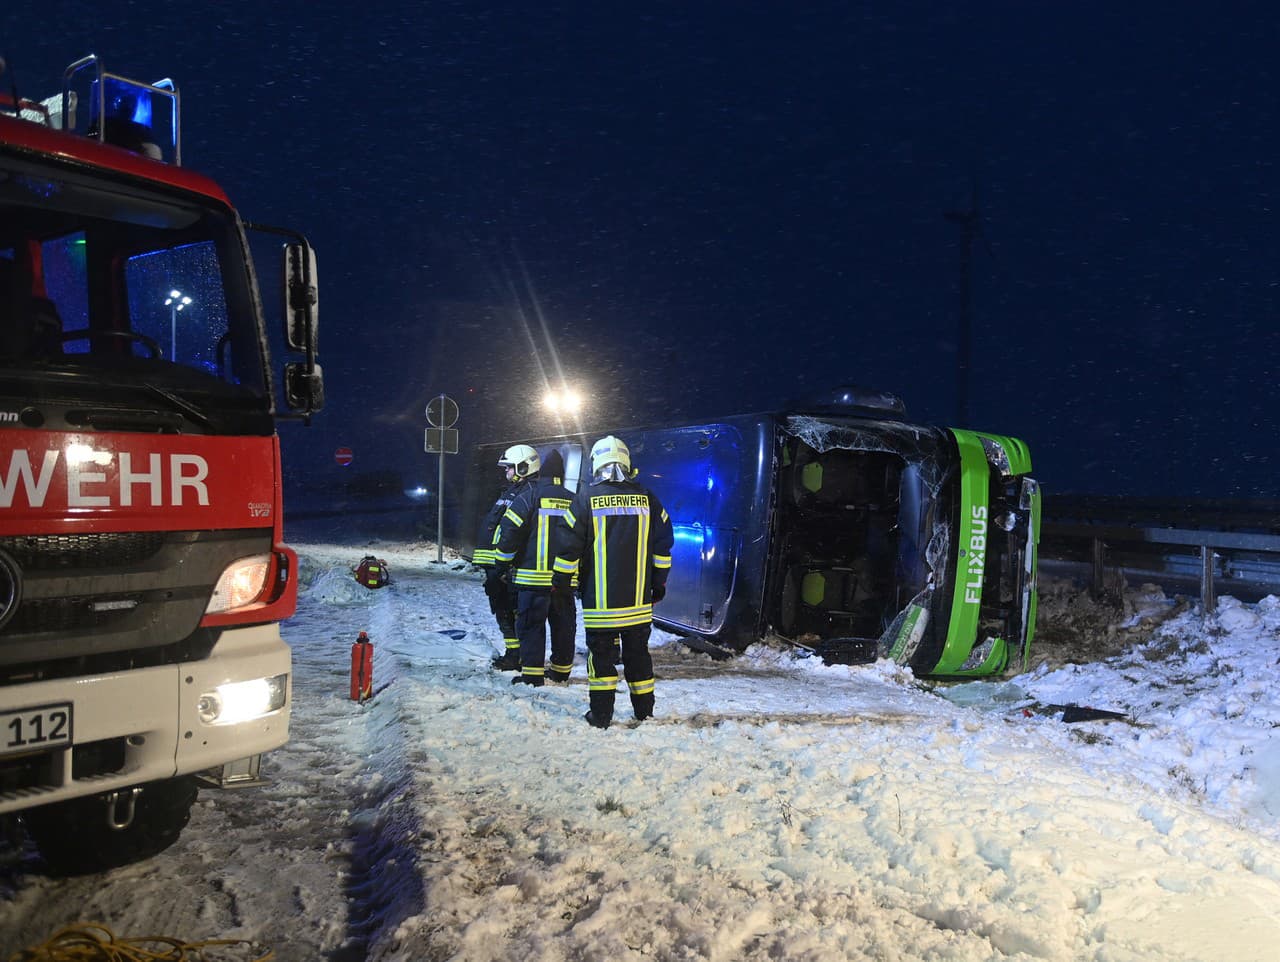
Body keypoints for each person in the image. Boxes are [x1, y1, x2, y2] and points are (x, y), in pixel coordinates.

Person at [552, 435, 673, 728]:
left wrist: (562, 581)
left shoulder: (585, 499)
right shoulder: (648, 498)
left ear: (597, 464)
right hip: (638, 603)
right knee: (638, 657)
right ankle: (644, 711)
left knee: (602, 661)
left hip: (601, 603)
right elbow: (663, 546)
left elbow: (568, 548)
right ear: (627, 463)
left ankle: (601, 715)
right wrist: (658, 583)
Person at [492, 449, 577, 687]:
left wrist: (501, 564)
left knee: (531, 626)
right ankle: (561, 671)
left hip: (532, 580)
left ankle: (532, 675)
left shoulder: (529, 497)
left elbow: (510, 533)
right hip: (564, 580)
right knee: (563, 625)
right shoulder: (575, 499)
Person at [475, 444, 534, 670]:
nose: (506, 472)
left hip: (506, 567)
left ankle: (515, 654)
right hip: (496, 565)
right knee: (501, 608)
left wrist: (505, 565)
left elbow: (516, 532)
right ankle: (514, 651)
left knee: (511, 610)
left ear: (523, 467)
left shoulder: (527, 493)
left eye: (509, 468)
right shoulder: (513, 490)